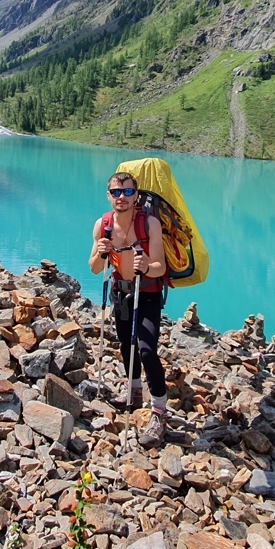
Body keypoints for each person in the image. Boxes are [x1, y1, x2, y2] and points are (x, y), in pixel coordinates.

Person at [88, 171, 168, 446]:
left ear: (136, 195)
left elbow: (161, 267)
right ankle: (133, 391)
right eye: (116, 192)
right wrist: (101, 251)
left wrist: (146, 266)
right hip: (120, 292)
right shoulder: (103, 224)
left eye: (128, 192)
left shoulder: (150, 224)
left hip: (146, 294)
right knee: (126, 344)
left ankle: (159, 412)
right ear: (109, 195)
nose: (122, 197)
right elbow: (95, 267)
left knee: (146, 349)